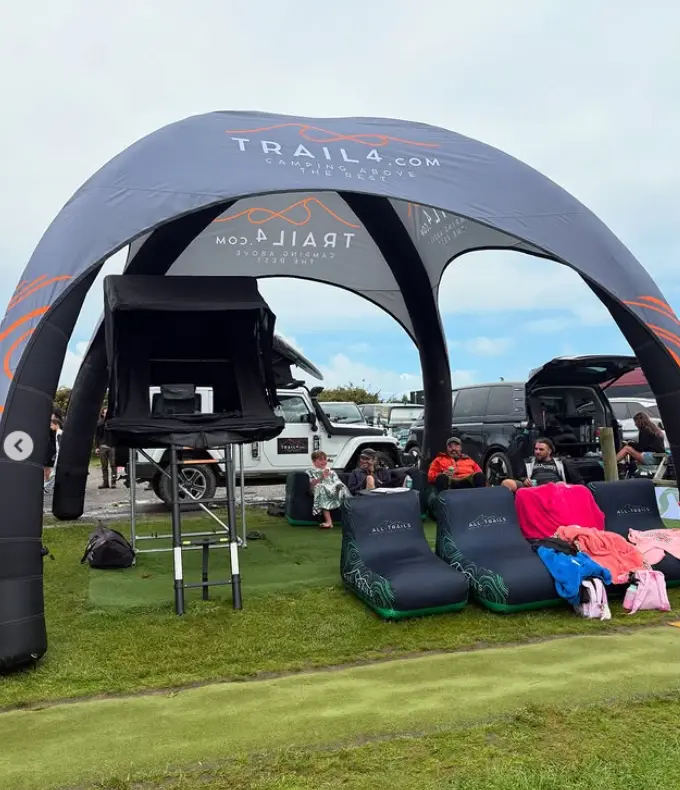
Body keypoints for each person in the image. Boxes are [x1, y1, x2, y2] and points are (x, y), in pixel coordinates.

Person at [501, 437, 582, 493]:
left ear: (549, 451)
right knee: (507, 483)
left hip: (554, 490)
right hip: (534, 490)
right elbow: (520, 476)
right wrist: (525, 480)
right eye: (536, 449)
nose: (537, 451)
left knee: (561, 485)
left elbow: (577, 480)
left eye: (541, 449)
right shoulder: (529, 462)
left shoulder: (561, 462)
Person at [307, 450, 350, 529]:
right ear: (314, 462)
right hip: (318, 489)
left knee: (342, 488)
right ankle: (329, 521)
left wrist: (335, 486)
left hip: (332, 489)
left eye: (325, 459)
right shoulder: (311, 471)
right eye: (320, 460)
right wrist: (321, 477)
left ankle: (350, 517)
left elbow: (337, 482)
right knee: (322, 488)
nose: (323, 461)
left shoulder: (332, 472)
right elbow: (312, 485)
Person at [95, 407, 117, 489]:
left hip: (112, 445)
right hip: (103, 445)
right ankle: (105, 482)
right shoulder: (100, 424)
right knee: (104, 465)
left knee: (113, 464)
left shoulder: (113, 423)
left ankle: (113, 482)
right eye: (105, 413)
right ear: (102, 414)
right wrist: (97, 447)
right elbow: (97, 436)